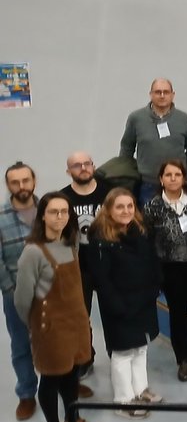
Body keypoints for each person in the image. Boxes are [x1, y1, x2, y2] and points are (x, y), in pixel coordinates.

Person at [13, 194, 102, 422]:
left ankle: (72, 421)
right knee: (52, 380)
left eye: (64, 212)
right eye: (54, 212)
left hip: (75, 324)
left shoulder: (69, 242)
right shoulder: (32, 251)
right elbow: (22, 299)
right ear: (43, 215)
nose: (60, 217)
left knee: (72, 374)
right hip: (50, 328)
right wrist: (37, 327)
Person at [90, 189, 163, 417]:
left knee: (140, 349)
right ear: (109, 210)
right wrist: (117, 306)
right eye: (120, 207)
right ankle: (124, 400)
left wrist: (153, 289)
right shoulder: (101, 239)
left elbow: (152, 263)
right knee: (122, 353)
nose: (126, 211)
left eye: (130, 206)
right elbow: (101, 279)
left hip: (142, 302)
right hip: (119, 305)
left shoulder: (139, 232)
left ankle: (140, 390)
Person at [143, 159, 187, 381]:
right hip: (169, 267)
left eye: (177, 174)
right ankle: (183, 359)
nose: (173, 179)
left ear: (184, 178)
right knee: (177, 313)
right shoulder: (152, 206)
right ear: (161, 179)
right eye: (168, 175)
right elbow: (148, 239)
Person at [59, 151, 109, 376]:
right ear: (68, 171)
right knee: (81, 316)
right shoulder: (62, 198)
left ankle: (118, 355)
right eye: (76, 165)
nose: (83, 168)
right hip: (78, 267)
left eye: (86, 163)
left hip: (109, 265)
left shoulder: (109, 191)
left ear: (93, 165)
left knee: (113, 314)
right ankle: (85, 357)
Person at [1, 162, 41, 420]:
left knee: (56, 344)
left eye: (25, 180)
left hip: (50, 292)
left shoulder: (49, 210)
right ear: (8, 186)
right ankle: (27, 394)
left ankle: (60, 386)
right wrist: (13, 289)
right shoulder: (1, 218)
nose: (21, 186)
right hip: (16, 295)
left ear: (33, 180)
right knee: (21, 346)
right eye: (15, 182)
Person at [119, 78, 187, 204]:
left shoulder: (184, 119)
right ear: (150, 94)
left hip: (177, 184)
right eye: (158, 92)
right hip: (147, 184)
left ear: (173, 95)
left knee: (179, 221)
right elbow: (126, 148)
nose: (162, 96)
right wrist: (126, 176)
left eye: (166, 92)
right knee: (147, 222)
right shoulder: (136, 118)